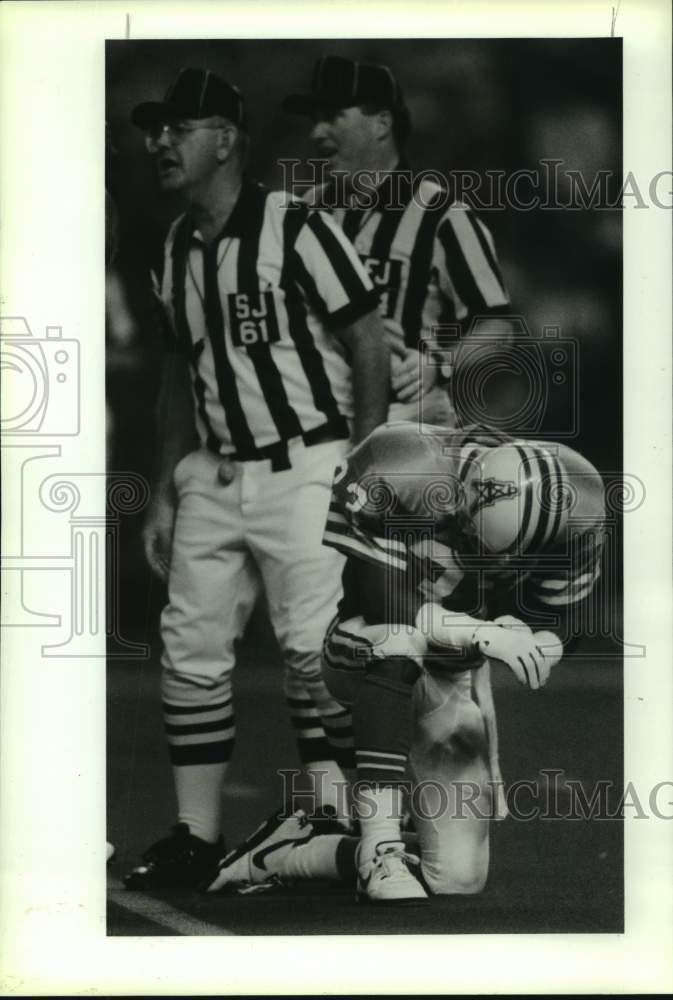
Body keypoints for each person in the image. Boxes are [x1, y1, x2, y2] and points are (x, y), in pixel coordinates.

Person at [123, 67, 390, 890]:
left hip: (307, 460)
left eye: (179, 128)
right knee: (190, 651)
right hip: (213, 469)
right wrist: (166, 485)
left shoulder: (296, 227)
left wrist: (367, 461)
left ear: (225, 140)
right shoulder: (176, 245)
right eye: (157, 130)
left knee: (314, 649)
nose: (160, 143)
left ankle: (351, 823)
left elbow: (367, 341)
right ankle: (196, 834)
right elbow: (179, 371)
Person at [206, 420, 605, 904]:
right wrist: (482, 632)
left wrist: (541, 641)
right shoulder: (403, 464)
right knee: (400, 642)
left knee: (457, 878)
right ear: (463, 501)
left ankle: (288, 851)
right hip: (363, 644)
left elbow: (566, 616)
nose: (495, 567)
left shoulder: (574, 498)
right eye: (477, 544)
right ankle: (380, 847)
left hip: (452, 676)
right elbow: (380, 600)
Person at [281, 54, 512, 428]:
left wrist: (440, 362)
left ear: (382, 124)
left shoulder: (442, 216)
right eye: (315, 119)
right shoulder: (308, 208)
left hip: (407, 418)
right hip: (315, 418)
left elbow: (499, 329)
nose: (316, 132)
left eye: (332, 116)